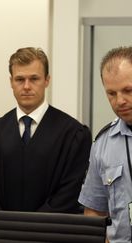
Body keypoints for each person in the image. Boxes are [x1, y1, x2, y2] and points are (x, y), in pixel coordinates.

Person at [0, 47, 92, 213]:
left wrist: (35, 227)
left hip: (53, 231)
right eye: (20, 79)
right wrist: (5, 224)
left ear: (47, 80)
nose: (27, 86)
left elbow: (70, 191)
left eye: (34, 79)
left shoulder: (73, 133)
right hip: (2, 231)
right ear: (11, 82)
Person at [79, 46, 132, 243]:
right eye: (111, 93)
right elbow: (94, 210)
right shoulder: (103, 143)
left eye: (128, 90)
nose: (120, 101)